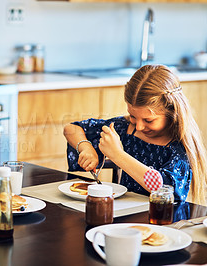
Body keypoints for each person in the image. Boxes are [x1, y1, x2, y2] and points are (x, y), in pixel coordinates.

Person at [64, 64, 207, 205]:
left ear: (172, 113)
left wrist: (117, 155)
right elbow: (71, 129)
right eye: (133, 116)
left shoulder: (179, 146)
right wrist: (86, 147)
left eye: (148, 120)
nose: (139, 126)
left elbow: (165, 189)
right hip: (124, 217)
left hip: (161, 221)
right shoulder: (127, 128)